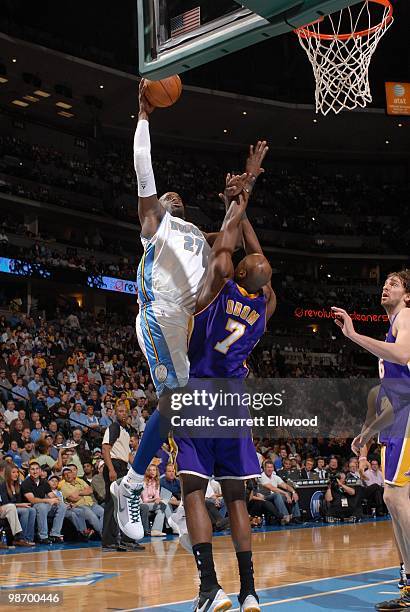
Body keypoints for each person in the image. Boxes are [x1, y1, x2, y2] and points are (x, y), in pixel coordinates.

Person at [111, 79, 245, 540]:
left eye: (177, 199)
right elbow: (143, 169)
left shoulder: (195, 236)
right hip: (160, 316)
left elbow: (230, 245)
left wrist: (236, 203)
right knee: (178, 402)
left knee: (192, 408)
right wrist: (144, 117)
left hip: (188, 325)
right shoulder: (157, 225)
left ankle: (176, 494)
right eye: (166, 199)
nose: (173, 199)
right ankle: (130, 483)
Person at [171, 152, 276, 611]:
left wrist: (242, 191)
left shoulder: (217, 286)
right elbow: (257, 259)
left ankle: (209, 587)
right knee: (236, 495)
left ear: (237, 271)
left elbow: (228, 245)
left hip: (198, 392)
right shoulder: (264, 309)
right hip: (234, 400)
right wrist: (242, 203)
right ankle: (250, 590)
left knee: (193, 487)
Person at [333, 270, 410, 611]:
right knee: (396, 506)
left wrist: (352, 334)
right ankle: (407, 584)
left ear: (407, 295)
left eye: (394, 284)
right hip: (396, 421)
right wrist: (367, 432)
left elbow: (403, 354)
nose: (386, 287)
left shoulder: (406, 316)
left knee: (395, 497)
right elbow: (392, 399)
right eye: (384, 284)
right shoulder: (392, 328)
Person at [102, 403, 144, 552]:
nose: (123, 414)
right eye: (120, 411)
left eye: (125, 412)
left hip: (123, 467)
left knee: (125, 505)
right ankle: (108, 541)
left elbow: (126, 454)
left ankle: (127, 539)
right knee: (112, 505)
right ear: (114, 413)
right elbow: (105, 449)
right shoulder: (113, 427)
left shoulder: (125, 431)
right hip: (114, 466)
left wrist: (138, 468)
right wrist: (111, 469)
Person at [20, 461, 66, 544]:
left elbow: (52, 495)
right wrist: (48, 500)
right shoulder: (26, 483)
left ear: (40, 471)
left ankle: (55, 534)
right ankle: (43, 536)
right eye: (32, 469)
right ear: (29, 471)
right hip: (31, 507)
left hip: (44, 505)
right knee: (42, 506)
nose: (35, 471)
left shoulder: (44, 482)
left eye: (37, 469)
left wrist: (57, 500)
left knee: (62, 506)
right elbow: (32, 500)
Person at [0, 464, 35, 545]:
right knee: (24, 511)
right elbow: (5, 502)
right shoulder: (3, 485)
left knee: (32, 510)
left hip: (14, 507)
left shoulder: (18, 486)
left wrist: (22, 504)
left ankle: (28, 538)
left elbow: (19, 501)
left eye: (17, 472)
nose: (16, 474)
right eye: (13, 472)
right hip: (5, 508)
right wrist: (20, 505)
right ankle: (20, 538)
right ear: (8, 473)